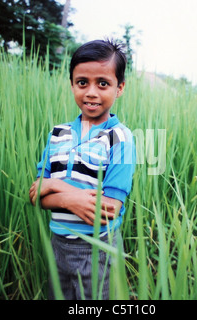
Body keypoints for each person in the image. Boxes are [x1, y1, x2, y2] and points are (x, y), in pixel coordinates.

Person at [29, 39, 136, 300]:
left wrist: (56, 188)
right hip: (58, 244)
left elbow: (108, 210)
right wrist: (67, 196)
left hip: (97, 248)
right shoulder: (57, 134)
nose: (91, 92)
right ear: (72, 84)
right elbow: (35, 194)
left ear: (119, 88)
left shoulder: (120, 138)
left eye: (103, 83)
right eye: (82, 83)